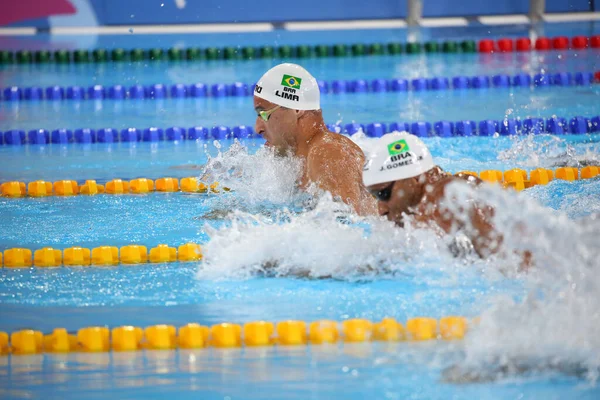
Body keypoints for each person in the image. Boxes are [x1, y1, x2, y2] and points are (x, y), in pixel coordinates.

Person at [253, 63, 377, 216]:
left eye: (263, 114)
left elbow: (344, 226)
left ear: (296, 109)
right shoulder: (302, 160)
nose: (258, 128)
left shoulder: (328, 153)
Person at [362, 132, 501, 258]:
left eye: (384, 194)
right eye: (375, 197)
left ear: (415, 178)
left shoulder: (446, 197)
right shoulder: (426, 205)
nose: (381, 210)